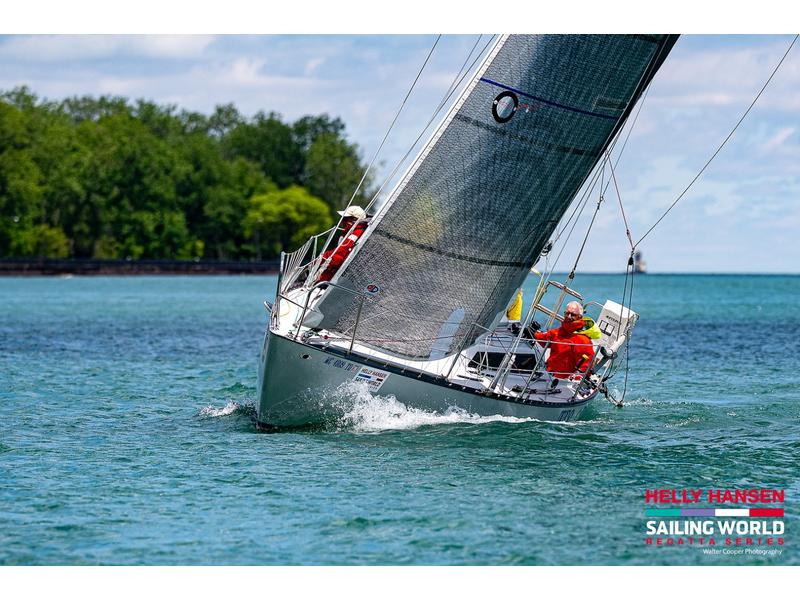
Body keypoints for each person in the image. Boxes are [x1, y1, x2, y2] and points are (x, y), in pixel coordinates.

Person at [531, 301, 596, 379]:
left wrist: (574, 379)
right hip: (548, 376)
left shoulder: (583, 340)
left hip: (565, 382)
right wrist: (532, 333)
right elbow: (542, 339)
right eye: (567, 313)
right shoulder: (558, 332)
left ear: (579, 317)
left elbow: (586, 366)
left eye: (573, 314)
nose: (569, 316)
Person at [317, 205, 369, 283]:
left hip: (337, 276)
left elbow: (338, 255)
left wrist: (320, 260)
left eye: (345, 218)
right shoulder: (350, 232)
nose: (342, 221)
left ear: (354, 220)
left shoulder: (356, 233)